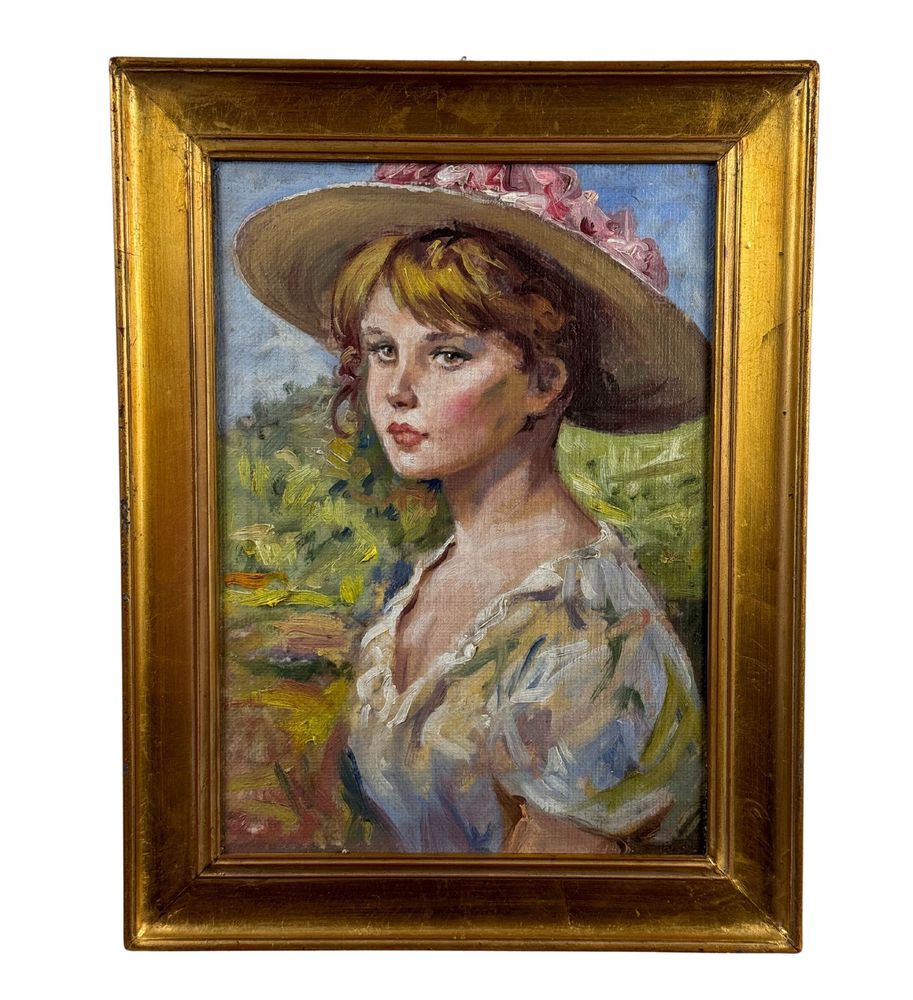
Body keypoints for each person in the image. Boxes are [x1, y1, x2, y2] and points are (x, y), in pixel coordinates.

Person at [234, 162, 709, 854]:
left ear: (543, 382)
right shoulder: (436, 574)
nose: (396, 389)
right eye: (383, 350)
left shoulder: (595, 631)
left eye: (448, 354)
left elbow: (545, 908)